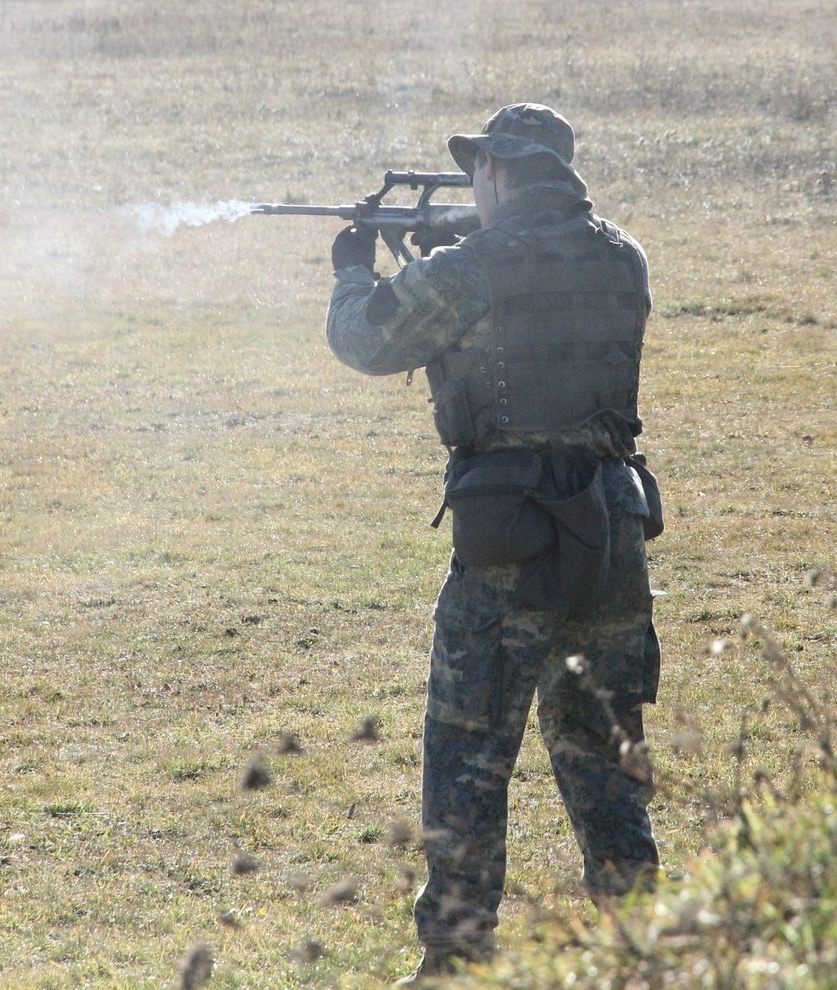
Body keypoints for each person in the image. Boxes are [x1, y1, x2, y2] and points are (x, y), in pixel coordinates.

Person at [324, 104, 664, 983]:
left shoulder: (472, 265)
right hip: (610, 528)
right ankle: (640, 947)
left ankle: (456, 955)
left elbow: (367, 342)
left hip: (511, 536)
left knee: (468, 751)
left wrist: (352, 272)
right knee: (605, 753)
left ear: (501, 173)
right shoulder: (623, 256)